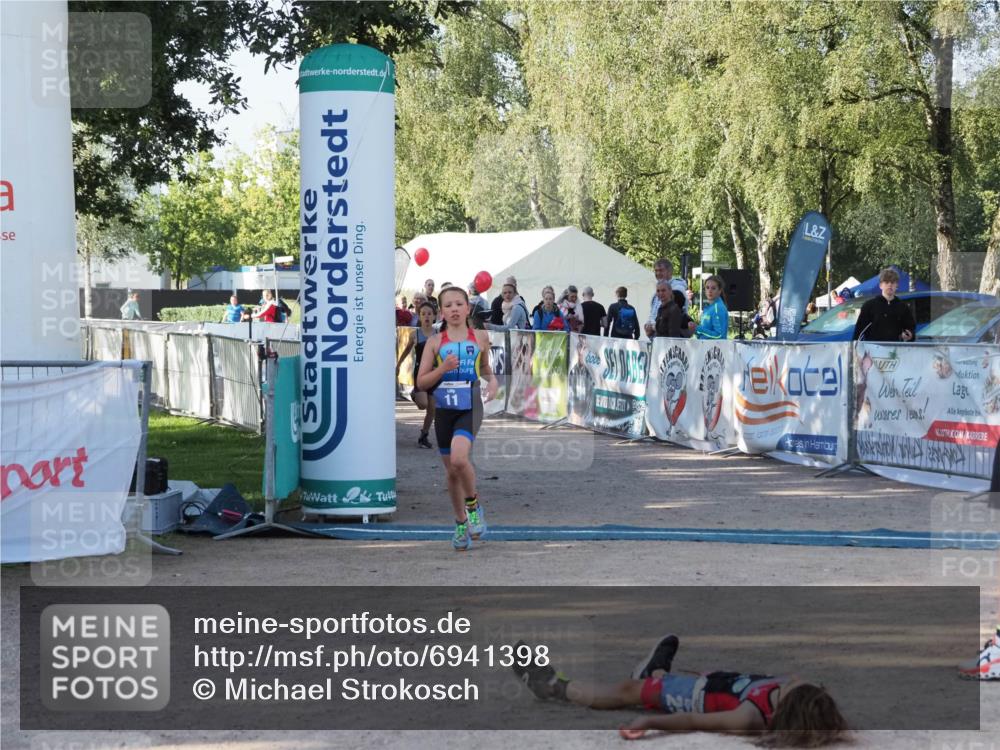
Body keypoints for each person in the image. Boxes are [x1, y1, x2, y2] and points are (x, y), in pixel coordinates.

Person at [513, 634, 849, 747]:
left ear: (785, 708)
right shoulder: (790, 697)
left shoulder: (750, 717)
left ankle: (554, 687)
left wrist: (650, 724)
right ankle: (654, 669)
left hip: (684, 696)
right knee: (651, 679)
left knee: (627, 690)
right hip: (711, 682)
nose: (794, 678)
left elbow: (694, 721)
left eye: (794, 685)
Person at [417, 286, 499, 551]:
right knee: (452, 472)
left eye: (458, 304)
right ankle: (460, 522)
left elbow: (485, 367)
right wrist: (443, 368)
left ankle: (474, 507)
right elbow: (421, 381)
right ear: (442, 311)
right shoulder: (434, 342)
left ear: (467, 308)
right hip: (444, 409)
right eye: (448, 305)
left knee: (460, 458)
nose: (453, 309)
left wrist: (493, 382)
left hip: (470, 404)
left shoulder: (481, 337)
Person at [396, 301, 438, 448]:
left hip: (435, 374)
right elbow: (407, 350)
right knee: (423, 405)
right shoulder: (415, 334)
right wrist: (398, 364)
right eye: (423, 314)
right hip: (420, 373)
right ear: (419, 316)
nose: (426, 316)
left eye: (429, 314)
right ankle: (415, 394)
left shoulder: (439, 335)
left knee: (432, 409)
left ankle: (423, 436)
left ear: (434, 316)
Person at [852, 268, 916, 342]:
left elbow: (910, 329)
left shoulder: (903, 307)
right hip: (872, 350)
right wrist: (857, 350)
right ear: (880, 285)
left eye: (892, 282)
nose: (890, 285)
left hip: (896, 350)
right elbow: (859, 332)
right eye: (886, 282)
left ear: (896, 285)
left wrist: (909, 335)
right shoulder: (869, 306)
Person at [645, 259, 688, 339]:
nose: (658, 273)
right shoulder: (656, 293)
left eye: (661, 270)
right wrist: (648, 325)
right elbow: (653, 314)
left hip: (670, 338)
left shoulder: (677, 289)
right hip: (657, 336)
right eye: (656, 271)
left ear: (670, 271)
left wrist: (654, 327)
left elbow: (672, 316)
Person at [696, 275, 729, 340]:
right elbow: (705, 333)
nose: (710, 291)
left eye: (713, 288)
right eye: (707, 287)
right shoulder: (708, 308)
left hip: (715, 349)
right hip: (705, 348)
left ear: (719, 291)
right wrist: (694, 330)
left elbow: (719, 335)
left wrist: (698, 328)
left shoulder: (718, 308)